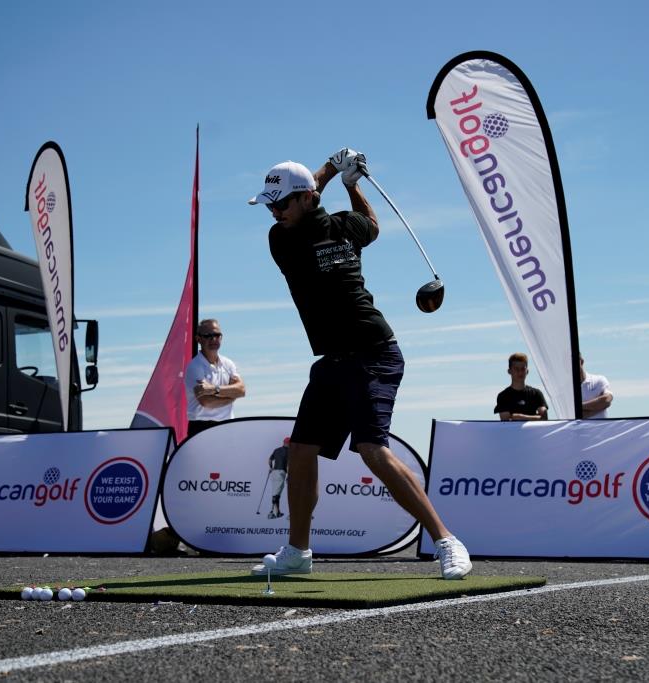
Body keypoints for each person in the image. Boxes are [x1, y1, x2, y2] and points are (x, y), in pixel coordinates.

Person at [249, 149, 471, 580]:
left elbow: (369, 225)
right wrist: (338, 172)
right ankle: (298, 551)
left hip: (375, 354)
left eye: (281, 203)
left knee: (372, 450)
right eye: (270, 205)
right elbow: (363, 222)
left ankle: (446, 540)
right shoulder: (283, 239)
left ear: (305, 199)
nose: (274, 212)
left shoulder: (338, 224)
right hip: (332, 361)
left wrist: (346, 182)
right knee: (300, 450)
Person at [185, 318, 245, 438]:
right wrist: (230, 397)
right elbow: (206, 402)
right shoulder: (195, 367)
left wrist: (214, 389)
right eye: (208, 335)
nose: (213, 339)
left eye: (217, 335)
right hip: (201, 428)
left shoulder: (228, 364)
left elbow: (241, 390)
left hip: (227, 426)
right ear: (198, 339)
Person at [494, 353, 548, 421]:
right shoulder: (503, 396)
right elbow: (506, 421)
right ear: (509, 371)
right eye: (516, 369)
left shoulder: (536, 394)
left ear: (527, 371)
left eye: (523, 369)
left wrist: (521, 417)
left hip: (532, 431)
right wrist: (535, 417)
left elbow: (544, 418)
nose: (520, 372)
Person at [579, 353, 613, 419]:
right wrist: (598, 407)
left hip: (601, 429)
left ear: (582, 362)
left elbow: (606, 400)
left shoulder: (598, 380)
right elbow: (572, 416)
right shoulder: (566, 389)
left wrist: (578, 407)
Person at [266, 437, 289, 519]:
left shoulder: (276, 450)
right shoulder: (289, 451)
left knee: (275, 492)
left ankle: (277, 512)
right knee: (276, 494)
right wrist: (288, 476)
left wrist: (271, 467)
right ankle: (272, 513)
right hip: (281, 472)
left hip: (274, 472)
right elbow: (288, 465)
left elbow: (269, 460)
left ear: (283, 442)